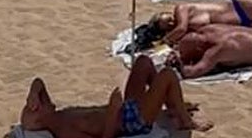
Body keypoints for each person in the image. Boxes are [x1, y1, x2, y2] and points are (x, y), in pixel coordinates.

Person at [19, 55, 210, 137]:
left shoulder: (59, 115)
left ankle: (172, 106)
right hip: (131, 122)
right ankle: (186, 121)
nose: (42, 101)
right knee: (167, 75)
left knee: (143, 62)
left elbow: (39, 83)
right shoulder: (65, 132)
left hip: (124, 109)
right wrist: (112, 110)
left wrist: (33, 92)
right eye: (36, 107)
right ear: (40, 120)